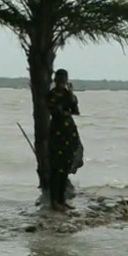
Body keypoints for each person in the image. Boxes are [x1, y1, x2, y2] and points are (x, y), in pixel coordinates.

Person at [46, 69, 83, 211]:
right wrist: (64, 110)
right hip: (57, 132)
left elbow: (75, 110)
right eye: (60, 81)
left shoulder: (68, 95)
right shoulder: (51, 95)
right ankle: (54, 200)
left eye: (64, 81)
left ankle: (62, 200)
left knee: (66, 167)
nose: (62, 84)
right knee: (57, 168)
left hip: (69, 132)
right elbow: (55, 111)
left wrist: (71, 93)